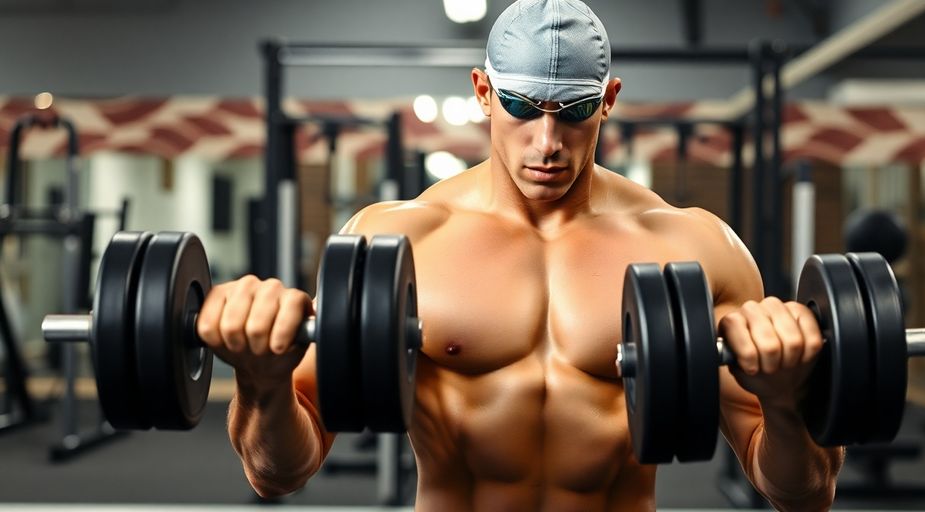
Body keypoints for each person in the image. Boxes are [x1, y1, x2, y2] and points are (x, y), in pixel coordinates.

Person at [196, 0, 843, 510]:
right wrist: (262, 382)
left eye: (575, 112)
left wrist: (785, 403)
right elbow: (278, 472)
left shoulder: (694, 246)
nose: (547, 142)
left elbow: (803, 493)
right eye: (520, 108)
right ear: (482, 91)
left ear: (609, 100)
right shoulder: (397, 242)